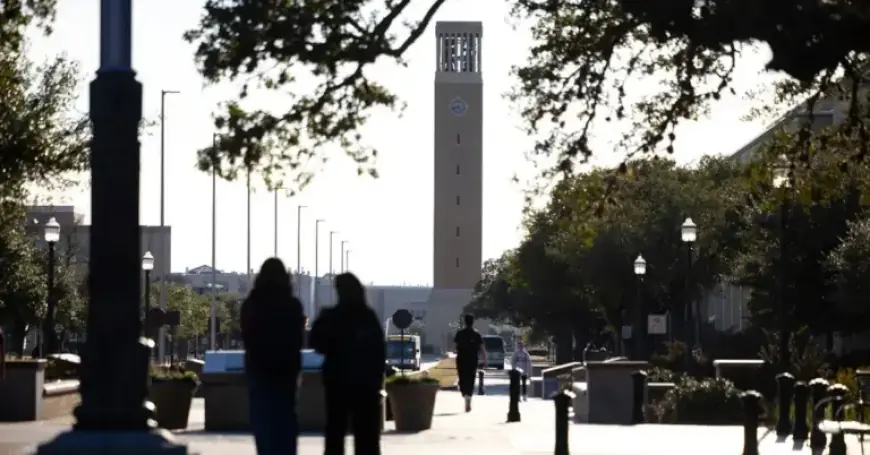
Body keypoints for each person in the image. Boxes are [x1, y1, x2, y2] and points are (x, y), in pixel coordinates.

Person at [309, 273, 385, 455]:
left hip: (338, 382)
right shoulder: (367, 317)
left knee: (335, 433)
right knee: (367, 437)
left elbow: (316, 342)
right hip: (365, 385)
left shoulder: (332, 317)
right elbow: (379, 350)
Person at [240, 258, 305, 455]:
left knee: (262, 418)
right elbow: (297, 338)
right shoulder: (292, 304)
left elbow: (247, 335)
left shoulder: (252, 304)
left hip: (259, 368)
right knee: (285, 418)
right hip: (286, 370)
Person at [453, 313, 486, 412]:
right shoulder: (476, 334)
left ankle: (465, 394)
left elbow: (454, 347)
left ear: (465, 322)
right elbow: (482, 348)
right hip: (472, 360)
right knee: (471, 378)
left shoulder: (460, 333)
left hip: (461, 359)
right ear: (473, 322)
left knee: (462, 377)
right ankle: (468, 396)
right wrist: (485, 360)